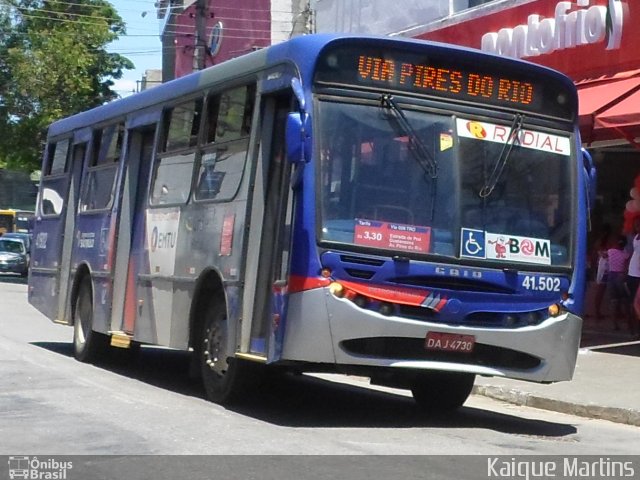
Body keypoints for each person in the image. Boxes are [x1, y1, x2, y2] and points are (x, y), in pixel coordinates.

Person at [606, 235, 632, 330]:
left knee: (613, 301)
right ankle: (629, 322)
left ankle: (614, 324)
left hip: (611, 276)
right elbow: (626, 267)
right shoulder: (626, 254)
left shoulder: (610, 252)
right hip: (621, 276)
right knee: (625, 300)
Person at [592, 224, 613, 320]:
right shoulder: (604, 242)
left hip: (602, 267)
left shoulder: (600, 241)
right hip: (603, 267)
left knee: (601, 290)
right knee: (600, 290)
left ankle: (597, 311)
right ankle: (596, 312)